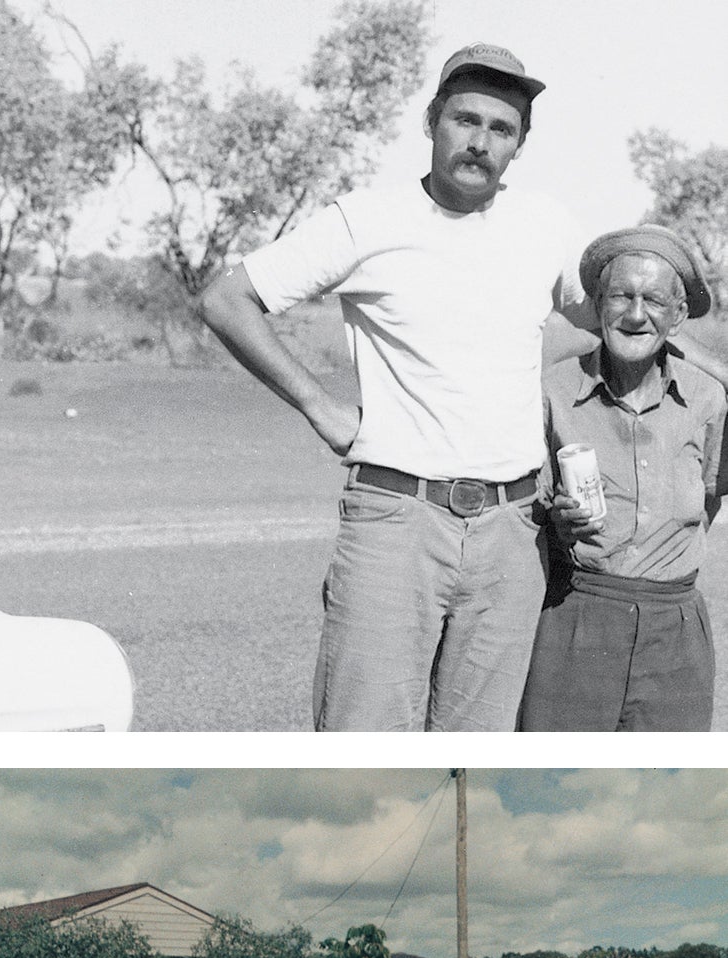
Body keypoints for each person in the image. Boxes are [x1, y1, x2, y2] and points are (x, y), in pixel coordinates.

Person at [197, 44, 592, 731]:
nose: (480, 142)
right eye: (465, 120)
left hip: (515, 530)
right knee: (364, 746)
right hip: (396, 518)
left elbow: (604, 324)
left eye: (502, 130)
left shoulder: (546, 227)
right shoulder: (366, 218)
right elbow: (228, 300)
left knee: (475, 756)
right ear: (431, 120)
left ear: (520, 146)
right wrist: (318, 406)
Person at [518, 226, 728, 730]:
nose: (636, 314)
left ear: (678, 316)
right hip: (576, 619)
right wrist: (556, 523)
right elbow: (523, 510)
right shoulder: (550, 390)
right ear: (596, 305)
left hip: (676, 632)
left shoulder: (708, 399)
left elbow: (710, 501)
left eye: (654, 300)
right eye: (621, 296)